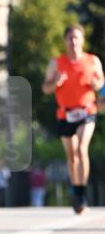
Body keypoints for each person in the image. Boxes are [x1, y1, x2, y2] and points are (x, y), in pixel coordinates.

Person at [42, 24, 104, 214]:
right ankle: (76, 192)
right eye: (70, 38)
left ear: (82, 40)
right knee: (71, 156)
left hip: (87, 111)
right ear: (65, 41)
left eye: (77, 38)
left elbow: (102, 85)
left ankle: (82, 193)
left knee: (81, 148)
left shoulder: (92, 61)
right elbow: (45, 89)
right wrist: (55, 82)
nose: (74, 41)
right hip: (65, 114)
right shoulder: (56, 63)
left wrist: (97, 84)